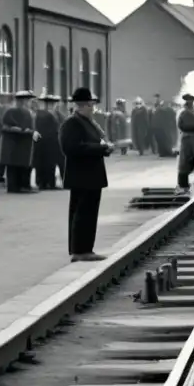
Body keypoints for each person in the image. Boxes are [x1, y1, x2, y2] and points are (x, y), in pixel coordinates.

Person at [59, 87, 114, 262]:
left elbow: (94, 142)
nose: (93, 108)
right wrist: (101, 148)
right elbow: (71, 148)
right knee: (82, 213)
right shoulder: (72, 124)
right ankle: (79, 250)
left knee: (89, 213)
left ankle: (85, 249)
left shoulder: (87, 122)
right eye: (91, 105)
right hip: (82, 175)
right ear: (83, 105)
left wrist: (104, 148)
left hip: (91, 175)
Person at [0, 90, 39, 193]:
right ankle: (14, 187)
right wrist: (21, 130)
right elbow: (4, 126)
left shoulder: (29, 112)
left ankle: (23, 185)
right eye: (27, 100)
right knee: (14, 167)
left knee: (23, 166)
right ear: (21, 101)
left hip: (24, 144)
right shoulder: (11, 111)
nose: (29, 102)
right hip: (14, 145)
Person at [34, 94, 64, 190]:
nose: (54, 105)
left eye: (54, 103)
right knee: (43, 163)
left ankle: (51, 183)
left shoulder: (58, 115)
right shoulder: (40, 114)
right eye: (50, 103)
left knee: (53, 163)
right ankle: (43, 182)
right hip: (44, 143)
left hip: (56, 143)